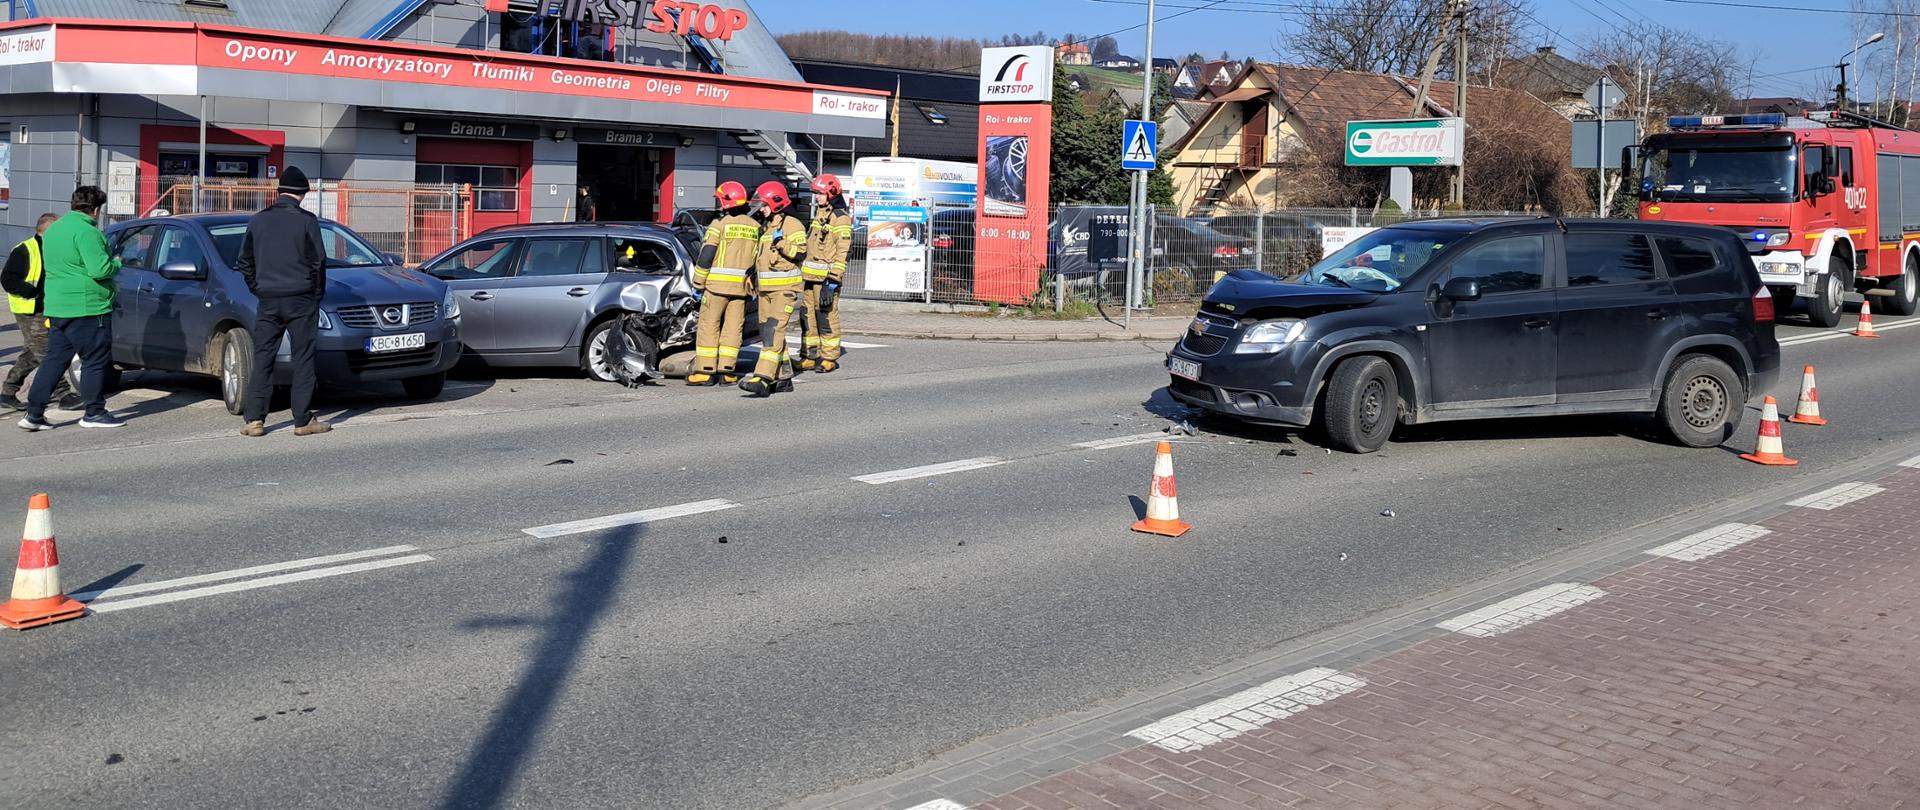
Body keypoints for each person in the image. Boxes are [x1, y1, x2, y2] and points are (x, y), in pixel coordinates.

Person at [235, 166, 330, 437]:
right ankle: (302, 420)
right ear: (302, 194)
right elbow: (318, 261)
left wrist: (258, 288)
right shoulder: (306, 221)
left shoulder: (257, 220)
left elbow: (244, 261)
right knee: (303, 358)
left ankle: (254, 420)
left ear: (279, 192)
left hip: (268, 299)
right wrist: (316, 295)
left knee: (263, 356)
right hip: (301, 298)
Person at [19, 186, 122, 431]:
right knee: (95, 361)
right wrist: (117, 263)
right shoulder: (88, 232)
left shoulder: (54, 230)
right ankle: (94, 412)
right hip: (88, 306)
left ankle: (33, 414)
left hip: (57, 306)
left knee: (54, 361)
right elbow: (100, 269)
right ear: (96, 210)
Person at [1, 213, 76, 410]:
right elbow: (7, 279)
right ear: (47, 231)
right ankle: (64, 394)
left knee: (33, 353)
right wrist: (31, 292)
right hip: (29, 309)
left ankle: (8, 392)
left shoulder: (54, 248)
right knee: (47, 352)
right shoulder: (25, 250)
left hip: (48, 307)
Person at [739, 181, 806, 398]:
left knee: (772, 332)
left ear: (776, 203)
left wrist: (783, 243)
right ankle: (784, 377)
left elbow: (801, 252)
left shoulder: (792, 225)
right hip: (766, 291)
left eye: (764, 205)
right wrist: (753, 273)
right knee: (768, 332)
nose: (762, 209)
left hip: (785, 290)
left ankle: (763, 378)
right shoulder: (767, 227)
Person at [688, 182, 758, 387]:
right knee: (733, 329)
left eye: (721, 200)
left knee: (709, 327)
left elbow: (706, 255)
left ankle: (705, 371)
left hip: (716, 288)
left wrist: (698, 285)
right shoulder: (755, 227)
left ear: (727, 202)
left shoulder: (719, 225)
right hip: (741, 289)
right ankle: (727, 371)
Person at [798, 175, 853, 373]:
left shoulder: (841, 218)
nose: (817, 197)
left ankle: (829, 357)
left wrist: (833, 279)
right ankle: (809, 356)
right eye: (816, 193)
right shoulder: (819, 214)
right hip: (810, 278)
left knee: (826, 317)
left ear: (831, 193)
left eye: (820, 193)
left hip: (826, 280)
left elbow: (843, 251)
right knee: (807, 317)